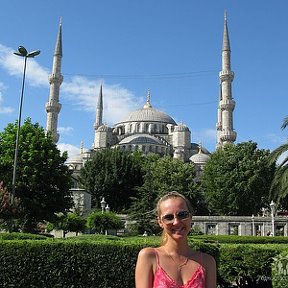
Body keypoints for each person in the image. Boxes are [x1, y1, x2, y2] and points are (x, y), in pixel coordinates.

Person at [135, 191, 216, 288]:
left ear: (190, 217)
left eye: (182, 215)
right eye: (169, 217)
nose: (176, 222)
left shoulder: (207, 262)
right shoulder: (149, 257)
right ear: (160, 222)